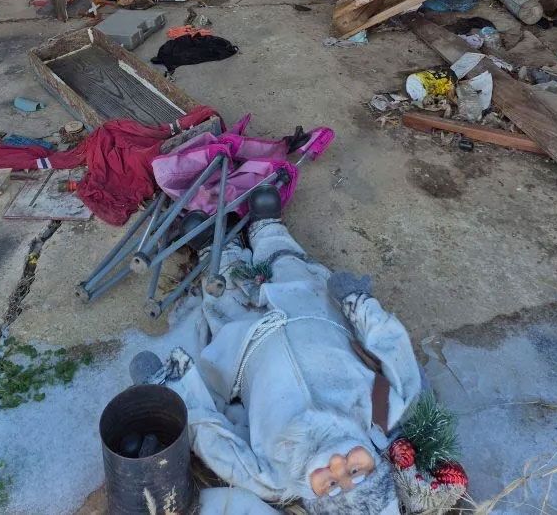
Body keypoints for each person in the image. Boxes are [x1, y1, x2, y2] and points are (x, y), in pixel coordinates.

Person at [131, 187, 422, 515]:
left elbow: (215, 440)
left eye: (330, 483)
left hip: (246, 348)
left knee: (226, 301)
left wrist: (169, 388)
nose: (338, 463)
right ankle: (268, 229)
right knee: (290, 268)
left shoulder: (274, 476)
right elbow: (398, 358)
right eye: (355, 470)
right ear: (377, 465)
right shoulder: (380, 419)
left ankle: (219, 249)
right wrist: (362, 306)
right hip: (312, 314)